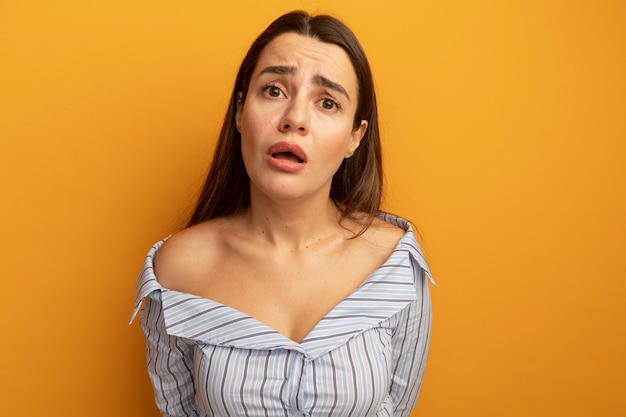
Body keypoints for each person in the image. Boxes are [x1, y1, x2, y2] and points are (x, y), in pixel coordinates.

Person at [131, 10, 434, 417]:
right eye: (274, 90)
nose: (294, 119)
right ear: (240, 111)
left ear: (355, 137)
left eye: (327, 102)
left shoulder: (394, 265)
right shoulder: (178, 270)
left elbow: (397, 408)